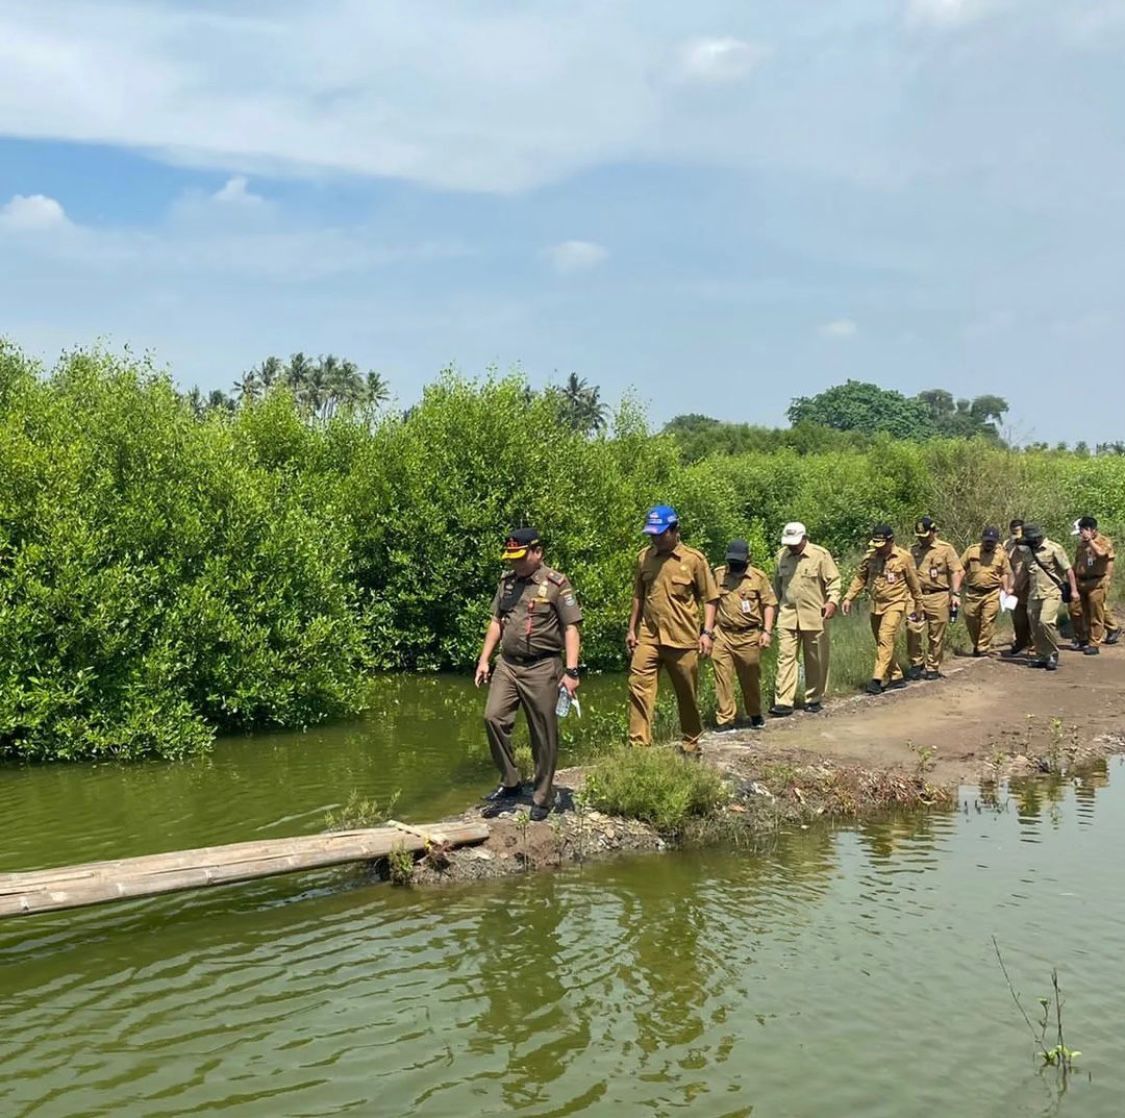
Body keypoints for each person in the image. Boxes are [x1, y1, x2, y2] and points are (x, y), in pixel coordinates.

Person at [475, 528, 582, 821]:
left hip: (543, 666)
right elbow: (496, 621)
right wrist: (484, 659)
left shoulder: (557, 583)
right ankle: (510, 781)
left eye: (520, 557)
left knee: (543, 733)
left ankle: (542, 797)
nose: (515, 564)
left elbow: (571, 628)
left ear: (537, 552)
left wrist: (571, 671)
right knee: (493, 717)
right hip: (508, 664)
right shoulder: (507, 583)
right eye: (510, 558)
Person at [626, 505, 719, 755]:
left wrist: (707, 633)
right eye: (651, 534)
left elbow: (710, 598)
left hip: (683, 638)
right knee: (638, 686)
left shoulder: (694, 560)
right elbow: (639, 595)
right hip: (649, 635)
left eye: (660, 533)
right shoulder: (643, 558)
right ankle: (639, 746)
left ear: (675, 530)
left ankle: (691, 741)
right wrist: (632, 629)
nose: (654, 538)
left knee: (687, 693)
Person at [842, 524, 923, 694]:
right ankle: (896, 675)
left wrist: (918, 605)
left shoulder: (904, 557)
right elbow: (860, 578)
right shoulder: (870, 557)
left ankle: (877, 679)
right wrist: (849, 597)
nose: (879, 548)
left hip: (896, 603)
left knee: (885, 637)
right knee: (881, 642)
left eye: (882, 544)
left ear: (891, 541)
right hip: (876, 604)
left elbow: (914, 583)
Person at [770, 522, 841, 716]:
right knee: (785, 658)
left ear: (804, 538)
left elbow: (834, 582)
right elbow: (777, 586)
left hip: (814, 615)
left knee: (815, 658)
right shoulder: (781, 556)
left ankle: (814, 698)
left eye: (794, 542)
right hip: (788, 615)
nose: (791, 547)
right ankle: (784, 701)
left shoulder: (820, 555)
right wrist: (772, 610)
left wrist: (832, 602)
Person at [711, 540, 777, 730]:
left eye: (739, 560)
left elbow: (769, 604)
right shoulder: (718, 575)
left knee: (750, 677)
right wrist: (707, 631)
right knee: (722, 677)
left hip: (749, 635)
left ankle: (754, 714)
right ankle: (725, 719)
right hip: (722, 634)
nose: (735, 564)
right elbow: (711, 602)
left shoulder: (758, 577)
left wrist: (766, 631)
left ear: (749, 558)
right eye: (732, 561)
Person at [1014, 524, 1078, 671]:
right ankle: (1041, 656)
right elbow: (1025, 572)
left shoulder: (1054, 548)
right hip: (1034, 594)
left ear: (1039, 537)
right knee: (1035, 627)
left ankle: (1052, 654)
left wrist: (1074, 590)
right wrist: (1014, 588)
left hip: (1052, 592)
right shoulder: (1028, 551)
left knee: (1045, 622)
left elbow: (1068, 571)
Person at [907, 516, 964, 679]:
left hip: (938, 595)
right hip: (916, 596)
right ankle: (916, 663)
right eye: (918, 536)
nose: (921, 539)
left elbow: (956, 571)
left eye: (925, 535)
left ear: (933, 532)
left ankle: (933, 666)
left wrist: (955, 593)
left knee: (936, 633)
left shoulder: (945, 549)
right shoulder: (912, 550)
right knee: (912, 628)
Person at [958, 527, 1013, 656]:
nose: (989, 543)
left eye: (992, 542)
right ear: (982, 539)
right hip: (973, 592)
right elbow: (960, 569)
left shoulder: (1001, 554)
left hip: (992, 592)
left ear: (996, 541)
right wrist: (956, 588)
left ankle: (982, 647)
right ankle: (977, 643)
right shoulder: (972, 551)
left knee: (987, 620)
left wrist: (1006, 590)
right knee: (970, 617)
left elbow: (1005, 573)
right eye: (987, 541)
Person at [1068, 516, 1115, 655]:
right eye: (1081, 531)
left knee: (1096, 614)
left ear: (1092, 530)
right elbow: (1077, 563)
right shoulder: (1081, 544)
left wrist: (1090, 541)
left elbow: (1101, 554)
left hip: (1097, 582)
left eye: (1083, 530)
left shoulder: (1103, 541)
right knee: (1075, 610)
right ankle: (1082, 638)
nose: (1081, 534)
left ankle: (1094, 642)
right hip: (1081, 581)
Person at [1002, 519, 1032, 656]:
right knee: (1017, 616)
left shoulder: (1028, 543)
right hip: (1013, 584)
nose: (1015, 533)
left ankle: (1032, 644)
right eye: (1013, 531)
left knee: (1031, 615)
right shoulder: (1006, 544)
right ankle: (1020, 642)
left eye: (1018, 531)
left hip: (1028, 584)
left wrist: (1020, 543)